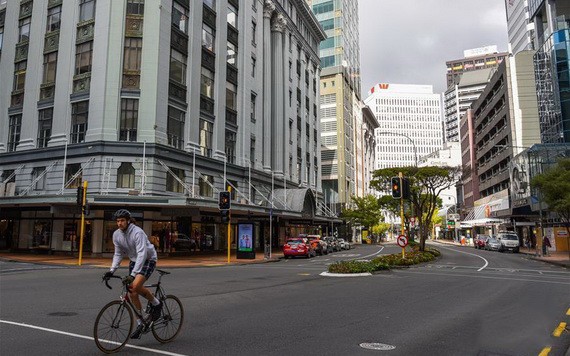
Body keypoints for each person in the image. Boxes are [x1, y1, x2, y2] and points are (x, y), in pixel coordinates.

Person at [102, 209, 162, 339]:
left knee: (135, 285)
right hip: (134, 261)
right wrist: (111, 271)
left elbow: (142, 253)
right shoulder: (116, 235)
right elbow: (118, 254)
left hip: (148, 259)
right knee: (132, 291)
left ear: (128, 221)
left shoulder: (137, 232)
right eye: (118, 221)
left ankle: (156, 303)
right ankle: (141, 322)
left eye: (122, 220)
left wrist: (133, 274)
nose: (119, 223)